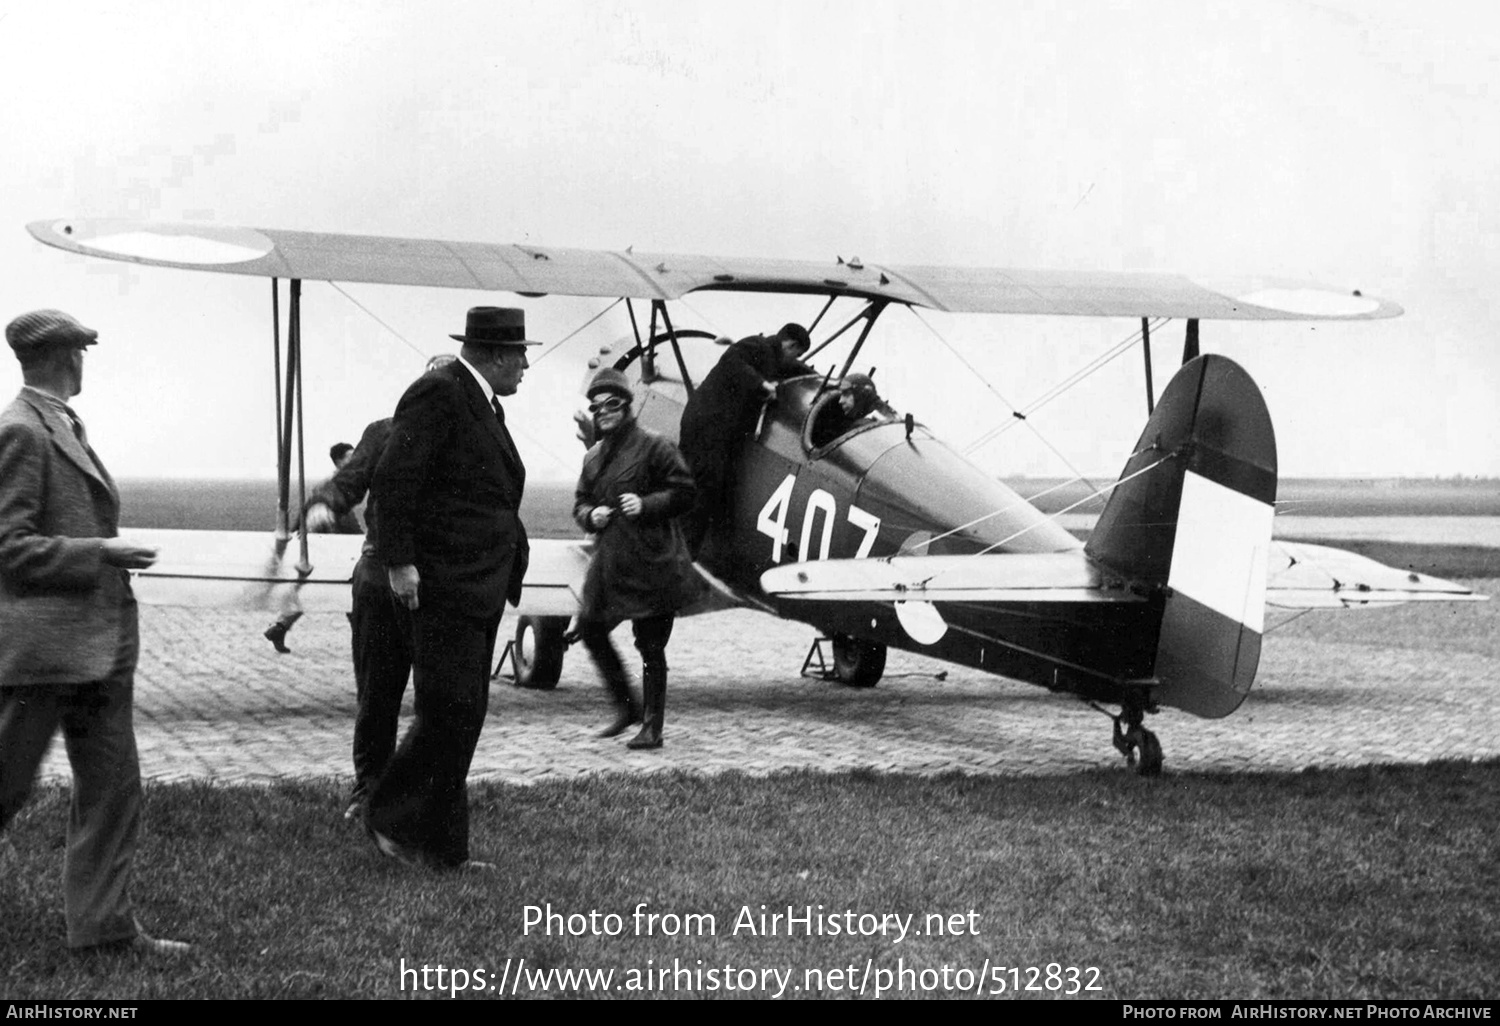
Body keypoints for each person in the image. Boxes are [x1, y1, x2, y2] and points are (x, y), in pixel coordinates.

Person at [0, 309, 189, 956]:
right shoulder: (22, 432)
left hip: (97, 644)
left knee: (113, 787)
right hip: (44, 653)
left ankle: (105, 932)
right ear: (67, 357)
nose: (86, 362)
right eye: (82, 351)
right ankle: (104, 929)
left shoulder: (56, 424)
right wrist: (102, 554)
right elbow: (9, 547)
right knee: (5, 784)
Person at [363, 308, 535, 871]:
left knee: (463, 716)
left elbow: (485, 492)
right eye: (520, 354)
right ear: (496, 355)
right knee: (447, 712)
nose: (527, 365)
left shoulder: (482, 402)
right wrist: (399, 563)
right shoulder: (438, 392)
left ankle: (445, 849)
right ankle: (389, 817)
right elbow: (394, 480)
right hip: (442, 585)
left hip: (479, 585)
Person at [299, 355, 456, 820]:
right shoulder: (385, 432)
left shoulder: (472, 437)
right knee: (378, 696)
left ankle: (426, 794)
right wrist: (325, 504)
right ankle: (369, 790)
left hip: (441, 582)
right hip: (379, 575)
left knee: (442, 698)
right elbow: (349, 479)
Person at [573, 368, 702, 749]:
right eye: (597, 407)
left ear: (628, 406)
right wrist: (589, 515)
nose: (604, 412)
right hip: (610, 562)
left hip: (653, 562)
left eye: (612, 404)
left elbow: (685, 492)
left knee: (650, 646)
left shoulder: (656, 446)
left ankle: (652, 726)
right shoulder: (594, 456)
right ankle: (627, 707)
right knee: (591, 629)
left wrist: (646, 504)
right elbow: (581, 501)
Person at [677, 323, 814, 555]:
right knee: (702, 487)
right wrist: (761, 384)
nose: (796, 358)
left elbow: (793, 368)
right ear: (790, 344)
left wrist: (813, 375)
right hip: (705, 426)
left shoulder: (774, 356)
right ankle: (681, 552)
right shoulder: (755, 345)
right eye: (797, 353)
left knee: (711, 487)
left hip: (719, 430)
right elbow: (731, 362)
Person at [261, 441, 363, 653]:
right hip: (330, 533)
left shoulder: (336, 481)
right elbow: (326, 509)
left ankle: (280, 626)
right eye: (350, 456)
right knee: (348, 589)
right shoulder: (339, 482)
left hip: (323, 532)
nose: (354, 460)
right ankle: (361, 640)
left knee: (312, 584)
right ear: (339, 461)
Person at [809, 372, 880, 449]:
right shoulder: (876, 422)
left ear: (861, 396)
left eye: (846, 394)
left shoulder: (861, 428)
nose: (840, 401)